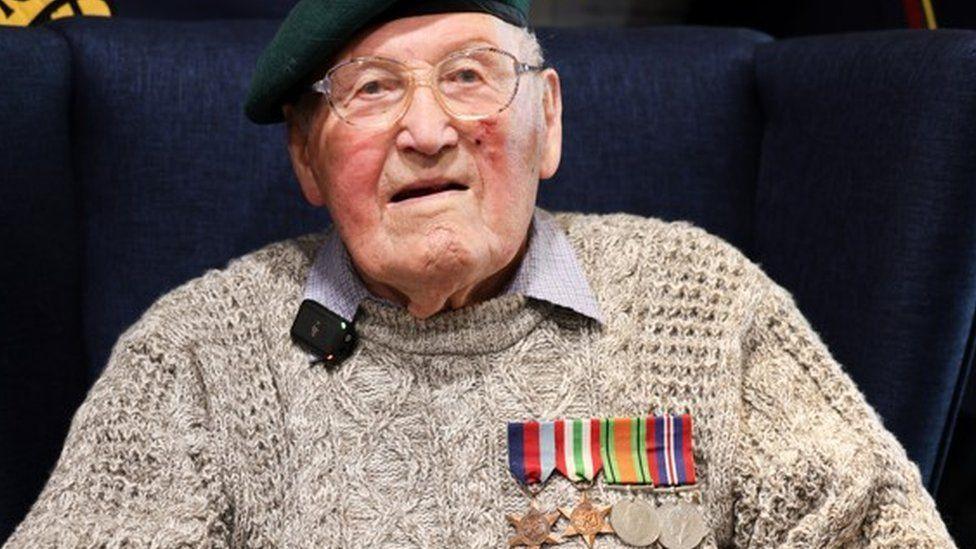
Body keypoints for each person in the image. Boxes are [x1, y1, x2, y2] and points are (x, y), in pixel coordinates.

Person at [4, 0, 957, 547]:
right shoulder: (200, 354)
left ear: (549, 119)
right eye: (372, 89)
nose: (426, 131)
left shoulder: (699, 304)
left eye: (468, 75)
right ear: (305, 158)